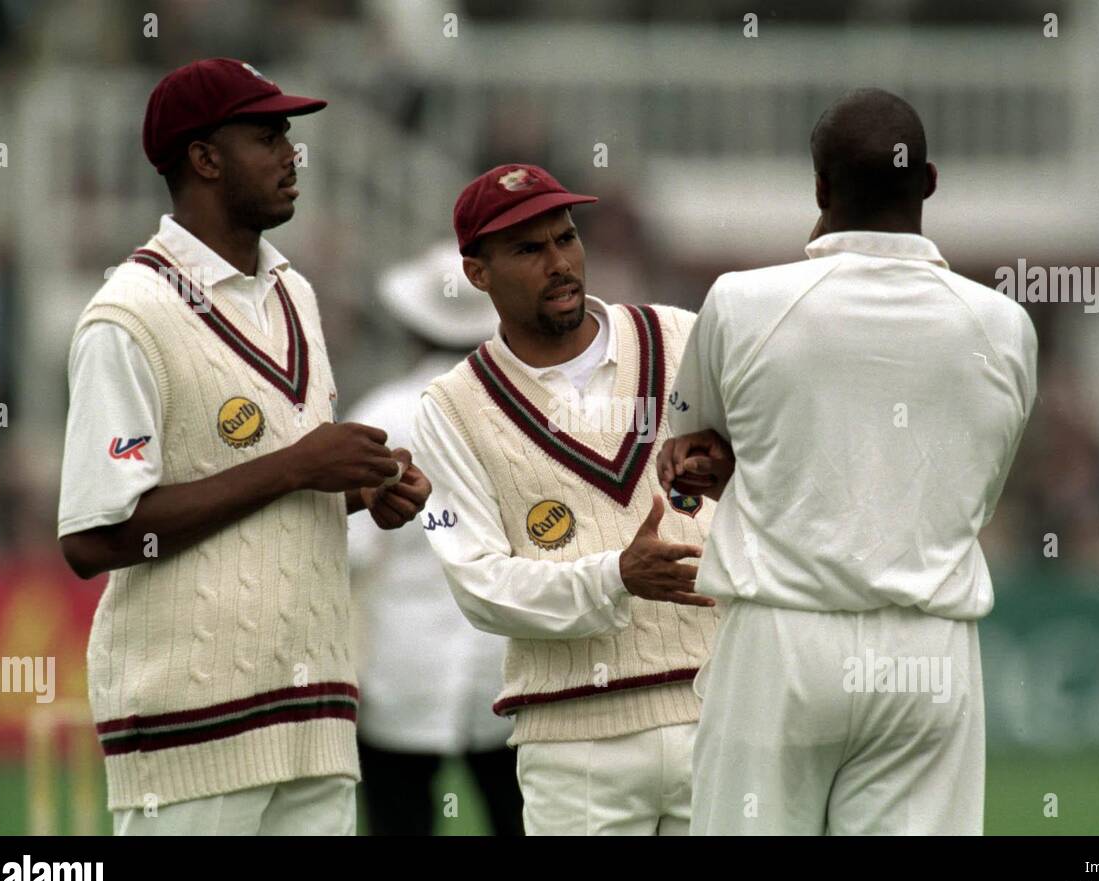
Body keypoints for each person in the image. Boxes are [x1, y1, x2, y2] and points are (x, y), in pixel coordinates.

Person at [56, 58, 430, 835]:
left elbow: (270, 485)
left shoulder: (295, 292)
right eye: (268, 136)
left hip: (316, 720)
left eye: (289, 135)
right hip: (191, 727)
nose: (293, 153)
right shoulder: (127, 316)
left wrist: (358, 489)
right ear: (204, 157)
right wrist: (301, 465)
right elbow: (94, 537)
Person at [661, 88, 1038, 835]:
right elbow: (978, 489)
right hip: (930, 651)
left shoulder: (741, 301)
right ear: (929, 182)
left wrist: (743, 464)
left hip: (783, 642)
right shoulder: (1005, 325)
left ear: (820, 190)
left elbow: (694, 447)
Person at [412, 164, 718, 835]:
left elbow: (774, 473)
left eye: (566, 237)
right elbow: (481, 586)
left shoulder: (681, 336)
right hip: (572, 744)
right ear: (477, 272)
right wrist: (615, 576)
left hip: (718, 712)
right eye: (528, 249)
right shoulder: (449, 408)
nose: (559, 263)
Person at [349, 243, 522, 835]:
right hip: (504, 669)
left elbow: (349, 553)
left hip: (400, 671)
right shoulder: (525, 415)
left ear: (413, 326)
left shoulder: (381, 414)